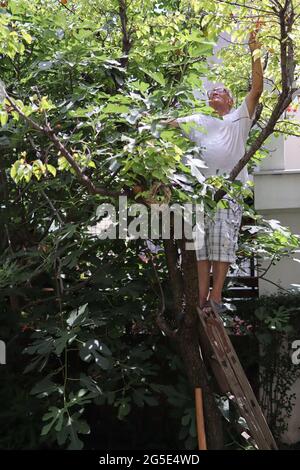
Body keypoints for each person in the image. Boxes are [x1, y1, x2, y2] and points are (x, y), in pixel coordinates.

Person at [162, 28, 263, 314]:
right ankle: (203, 298)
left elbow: (257, 89)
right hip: (203, 194)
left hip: (228, 190)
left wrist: (254, 49)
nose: (214, 93)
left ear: (230, 100)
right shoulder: (200, 121)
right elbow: (170, 123)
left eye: (220, 91)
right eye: (211, 92)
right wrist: (143, 122)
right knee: (202, 247)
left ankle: (216, 296)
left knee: (223, 242)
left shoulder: (239, 118)